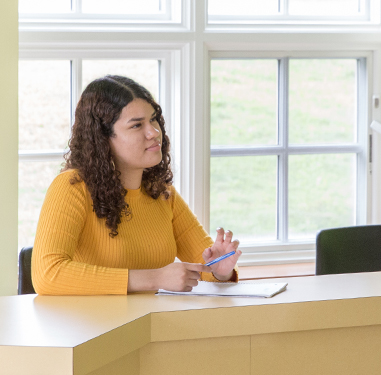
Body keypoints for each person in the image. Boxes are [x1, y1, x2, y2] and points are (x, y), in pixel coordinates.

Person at [32, 75, 241, 295]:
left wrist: (220, 271)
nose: (154, 132)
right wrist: (154, 278)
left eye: (153, 119)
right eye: (137, 125)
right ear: (103, 138)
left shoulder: (162, 193)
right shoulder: (72, 187)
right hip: (91, 327)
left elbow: (206, 269)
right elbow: (47, 274)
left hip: (152, 325)